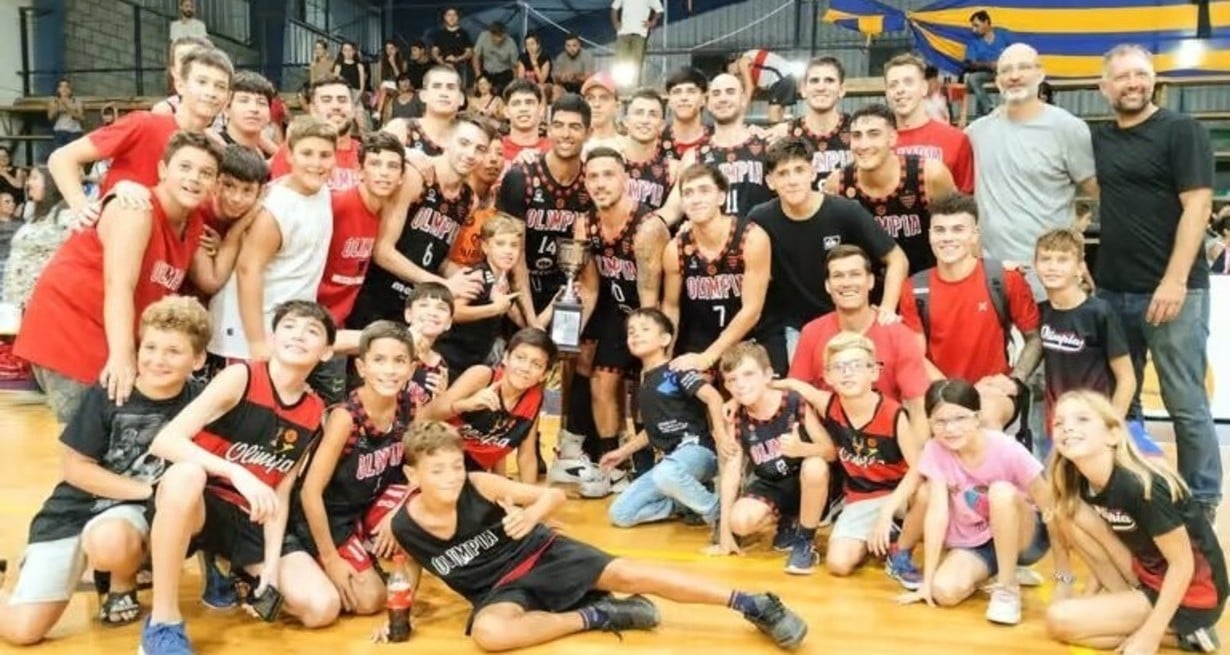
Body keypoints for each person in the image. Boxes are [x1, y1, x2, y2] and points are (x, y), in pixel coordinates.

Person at [374, 419, 809, 650]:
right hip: (499, 591)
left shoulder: (479, 484)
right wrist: (396, 619)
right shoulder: (402, 525)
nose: (451, 477)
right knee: (489, 635)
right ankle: (601, 615)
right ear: (412, 476)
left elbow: (552, 496)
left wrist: (532, 515)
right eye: (437, 470)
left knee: (632, 573)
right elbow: (406, 572)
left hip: (541, 554)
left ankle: (750, 602)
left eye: (455, 466)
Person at [0, 296, 209, 645]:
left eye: (173, 351)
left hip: (128, 522)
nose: (158, 360)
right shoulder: (111, 390)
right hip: (74, 511)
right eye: (150, 347)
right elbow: (75, 468)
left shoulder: (202, 401)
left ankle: (120, 583)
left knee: (110, 540)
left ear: (198, 359)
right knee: (23, 632)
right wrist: (149, 491)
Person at [138, 301, 340, 654]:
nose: (298, 335)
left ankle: (233, 569)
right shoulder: (241, 377)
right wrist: (237, 472)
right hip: (199, 503)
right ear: (272, 337)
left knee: (321, 607)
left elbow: (281, 492)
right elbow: (165, 441)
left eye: (312, 331)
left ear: (326, 352)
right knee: (186, 475)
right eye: (290, 326)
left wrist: (271, 568)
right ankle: (163, 622)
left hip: (249, 516)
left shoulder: (314, 411)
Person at [1091, 44, 1221, 522]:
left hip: (1173, 291)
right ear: (1104, 88)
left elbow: (1198, 207)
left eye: (1141, 75)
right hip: (1112, 290)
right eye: (1123, 76)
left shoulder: (1182, 131)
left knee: (1185, 402)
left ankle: (1201, 501)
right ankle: (1136, 492)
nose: (1133, 83)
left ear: (1153, 81)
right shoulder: (1101, 140)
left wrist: (1174, 280)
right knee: (1122, 400)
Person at [15, 132, 221, 424]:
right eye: (185, 167)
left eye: (206, 173)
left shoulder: (193, 220)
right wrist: (122, 355)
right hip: (73, 328)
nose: (194, 178)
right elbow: (119, 286)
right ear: (163, 170)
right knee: (91, 437)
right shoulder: (135, 208)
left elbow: (210, 281)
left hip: (110, 331)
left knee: (122, 434)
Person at [1045, 390, 1226, 653]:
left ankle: (1182, 633)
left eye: (1082, 419)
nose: (1067, 427)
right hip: (1149, 575)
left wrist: (1150, 635)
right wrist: (1089, 601)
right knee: (1068, 513)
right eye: (1059, 422)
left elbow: (1182, 564)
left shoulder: (1140, 486)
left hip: (1194, 594)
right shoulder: (1082, 484)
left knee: (1059, 619)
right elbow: (1102, 545)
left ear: (1113, 435)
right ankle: (1135, 612)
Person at [889, 379, 1066, 625]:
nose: (951, 429)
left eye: (960, 418)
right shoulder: (936, 449)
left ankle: (1007, 588)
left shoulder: (1006, 449)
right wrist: (927, 583)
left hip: (1026, 537)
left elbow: (1051, 509)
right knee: (944, 592)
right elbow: (937, 515)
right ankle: (997, 570)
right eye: (940, 421)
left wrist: (1064, 577)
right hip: (978, 540)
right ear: (929, 422)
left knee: (1001, 492)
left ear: (977, 417)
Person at [775, 332, 922, 581]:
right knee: (838, 564)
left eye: (856, 365)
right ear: (828, 377)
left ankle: (901, 552)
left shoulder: (894, 414)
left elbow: (918, 469)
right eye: (839, 367)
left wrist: (887, 511)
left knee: (926, 491)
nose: (847, 373)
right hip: (862, 497)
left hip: (898, 496)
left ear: (873, 372)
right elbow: (795, 386)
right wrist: (736, 401)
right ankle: (882, 539)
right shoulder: (829, 405)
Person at [751, 137, 907, 364]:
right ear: (770, 181)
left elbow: (897, 259)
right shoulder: (760, 218)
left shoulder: (845, 211)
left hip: (852, 321)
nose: (792, 180)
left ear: (813, 172)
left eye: (799, 170)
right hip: (798, 327)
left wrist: (887, 308)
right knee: (799, 382)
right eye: (783, 173)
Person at [298, 321, 417, 617]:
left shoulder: (408, 405)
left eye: (399, 361)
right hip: (332, 516)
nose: (390, 370)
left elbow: (420, 470)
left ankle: (365, 550)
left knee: (422, 511)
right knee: (369, 601)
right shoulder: (346, 418)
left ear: (411, 369)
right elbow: (310, 493)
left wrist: (398, 512)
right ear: (362, 367)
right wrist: (331, 559)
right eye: (379, 360)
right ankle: (309, 563)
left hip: (369, 506)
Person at [900, 192, 1043, 431]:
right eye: (940, 230)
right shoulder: (914, 288)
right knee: (917, 420)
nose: (947, 238)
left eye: (958, 229)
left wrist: (1016, 379)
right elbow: (916, 356)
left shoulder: (1003, 278)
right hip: (940, 389)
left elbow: (1034, 338)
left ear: (975, 234)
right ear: (930, 234)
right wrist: (956, 394)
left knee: (985, 416)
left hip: (992, 391)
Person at [207, 116, 337, 363]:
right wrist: (257, 342)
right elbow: (248, 270)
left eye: (325, 155)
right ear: (289, 155)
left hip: (287, 330)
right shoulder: (274, 209)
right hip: (245, 337)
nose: (316, 163)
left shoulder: (323, 192)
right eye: (307, 153)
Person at [966, 44, 1097, 282]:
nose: (1014, 76)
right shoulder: (976, 133)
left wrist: (1079, 256)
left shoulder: (1068, 128)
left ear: (1040, 74)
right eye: (1006, 70)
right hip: (994, 279)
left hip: (1050, 278)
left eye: (1024, 67)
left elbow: (1098, 191)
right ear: (997, 81)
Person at [49, 47, 231, 216]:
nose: (211, 92)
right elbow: (62, 158)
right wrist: (82, 209)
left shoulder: (212, 150)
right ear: (180, 85)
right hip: (117, 232)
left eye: (220, 86)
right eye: (202, 82)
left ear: (228, 97)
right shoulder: (144, 124)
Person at [350, 113, 493, 327]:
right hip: (377, 297)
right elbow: (382, 251)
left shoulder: (470, 199)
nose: (470, 154)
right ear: (447, 141)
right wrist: (443, 284)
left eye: (480, 149)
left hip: (418, 306)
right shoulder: (416, 176)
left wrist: (467, 278)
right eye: (464, 143)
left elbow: (438, 257)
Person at [572, 147, 670, 461]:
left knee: (644, 385)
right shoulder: (584, 223)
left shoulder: (647, 227)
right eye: (593, 177)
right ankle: (609, 464)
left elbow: (650, 296)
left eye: (608, 175)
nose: (600, 183)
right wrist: (568, 332)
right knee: (601, 381)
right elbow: (590, 287)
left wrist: (648, 345)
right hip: (615, 310)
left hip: (652, 311)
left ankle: (644, 462)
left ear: (625, 179)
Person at [789, 245, 930, 444]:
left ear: (870, 281)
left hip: (888, 445)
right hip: (834, 443)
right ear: (828, 285)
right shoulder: (812, 333)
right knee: (814, 463)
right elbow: (796, 396)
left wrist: (916, 457)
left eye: (855, 274)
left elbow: (918, 408)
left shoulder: (898, 334)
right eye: (838, 276)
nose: (847, 283)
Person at [713, 342, 832, 575]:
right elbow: (731, 473)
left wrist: (802, 449)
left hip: (807, 481)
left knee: (815, 466)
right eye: (732, 380)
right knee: (739, 522)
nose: (740, 384)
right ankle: (787, 521)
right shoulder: (735, 415)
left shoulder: (794, 401)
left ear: (768, 375)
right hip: (772, 483)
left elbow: (830, 451)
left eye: (748, 374)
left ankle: (805, 540)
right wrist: (726, 533)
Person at [601, 308, 727, 528]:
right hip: (669, 465)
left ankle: (719, 513)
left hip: (697, 453)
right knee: (620, 514)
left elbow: (713, 397)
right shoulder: (644, 379)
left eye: (645, 329)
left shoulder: (677, 369)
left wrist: (722, 437)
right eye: (631, 331)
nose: (636, 334)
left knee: (666, 473)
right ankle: (686, 503)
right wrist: (622, 453)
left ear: (665, 339)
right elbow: (653, 430)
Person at [662, 164, 774, 373]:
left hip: (749, 339)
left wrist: (709, 357)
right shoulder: (675, 249)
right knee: (682, 387)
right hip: (699, 340)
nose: (696, 199)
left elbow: (752, 311)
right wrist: (664, 357)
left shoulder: (752, 238)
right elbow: (671, 307)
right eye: (688, 193)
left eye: (704, 190)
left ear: (721, 197)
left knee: (746, 384)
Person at [827, 103, 958, 275]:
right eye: (857, 136)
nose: (863, 145)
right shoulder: (838, 183)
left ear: (893, 138)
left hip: (926, 281)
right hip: (865, 286)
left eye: (874, 134)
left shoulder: (930, 174)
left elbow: (961, 229)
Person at [1034, 228, 1136, 444]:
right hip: (1056, 426)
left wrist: (1112, 426)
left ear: (1080, 268)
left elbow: (1127, 378)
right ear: (1035, 265)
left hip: (1094, 424)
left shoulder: (1099, 313)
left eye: (1063, 260)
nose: (1052, 266)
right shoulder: (1040, 312)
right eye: (1045, 259)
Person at [499, 93, 594, 323]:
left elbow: (589, 265)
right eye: (558, 125)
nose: (565, 134)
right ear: (548, 129)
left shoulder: (592, 183)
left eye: (574, 127)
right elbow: (514, 254)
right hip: (519, 291)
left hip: (567, 291)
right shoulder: (520, 177)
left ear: (588, 133)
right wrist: (532, 322)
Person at [423, 328, 554, 483]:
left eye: (536, 364)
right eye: (520, 358)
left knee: (549, 495)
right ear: (505, 358)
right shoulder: (482, 375)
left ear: (544, 374)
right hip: (440, 456)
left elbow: (527, 456)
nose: (525, 368)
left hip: (474, 471)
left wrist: (528, 494)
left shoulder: (534, 398)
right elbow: (425, 415)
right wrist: (465, 405)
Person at [316, 131, 406, 330]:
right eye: (375, 164)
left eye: (392, 166)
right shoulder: (335, 204)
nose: (384, 173)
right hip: (310, 314)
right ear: (360, 171)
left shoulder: (388, 219)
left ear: (401, 177)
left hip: (340, 321)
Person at [434, 214, 524, 377]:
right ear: (485, 247)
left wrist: (557, 302)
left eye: (514, 245)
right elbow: (453, 312)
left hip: (472, 361)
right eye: (500, 244)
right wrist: (494, 309)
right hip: (450, 358)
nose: (508, 251)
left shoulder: (505, 281)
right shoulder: (478, 275)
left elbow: (520, 319)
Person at [883, 54, 974, 194]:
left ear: (924, 88)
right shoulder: (877, 143)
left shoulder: (956, 140)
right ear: (887, 93)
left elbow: (966, 198)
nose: (900, 90)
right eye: (893, 85)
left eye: (908, 82)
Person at [689, 73, 774, 218]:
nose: (723, 99)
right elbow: (672, 209)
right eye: (716, 93)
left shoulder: (769, 145)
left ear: (743, 99)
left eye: (730, 92)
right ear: (708, 103)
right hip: (713, 232)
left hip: (761, 232)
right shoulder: (694, 156)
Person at [766, 56, 852, 186]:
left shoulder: (857, 130)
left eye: (829, 80)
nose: (821, 87)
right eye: (814, 80)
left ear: (841, 89)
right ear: (803, 89)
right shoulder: (784, 134)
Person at [270, 75, 360, 191]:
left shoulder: (367, 155)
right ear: (313, 109)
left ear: (353, 109)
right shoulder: (294, 151)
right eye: (326, 100)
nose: (336, 106)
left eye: (342, 100)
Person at [0, 167, 71, 309]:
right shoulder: (34, 218)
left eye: (34, 178)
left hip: (41, 301)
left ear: (50, 182)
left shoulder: (65, 216)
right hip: (14, 298)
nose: (28, 183)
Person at [622, 88, 677, 211]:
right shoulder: (608, 162)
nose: (645, 120)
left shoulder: (673, 170)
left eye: (653, 114)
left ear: (662, 125)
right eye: (639, 113)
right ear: (626, 121)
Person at [964, 10, 1014, 118]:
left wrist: (1004, 64)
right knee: (972, 78)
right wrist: (989, 65)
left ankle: (1014, 114)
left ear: (986, 22)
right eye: (973, 26)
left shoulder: (1003, 34)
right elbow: (970, 63)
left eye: (976, 25)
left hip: (1006, 72)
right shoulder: (973, 40)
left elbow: (1017, 51)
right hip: (987, 73)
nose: (974, 29)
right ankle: (990, 108)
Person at [729, 49, 797, 124]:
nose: (737, 75)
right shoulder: (754, 67)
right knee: (779, 114)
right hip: (787, 76)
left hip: (781, 77)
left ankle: (776, 131)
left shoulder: (742, 62)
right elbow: (753, 90)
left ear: (734, 62)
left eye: (735, 74)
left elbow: (749, 87)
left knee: (773, 114)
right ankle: (782, 130)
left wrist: (742, 109)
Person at [611, 0, 662, 88]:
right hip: (623, 33)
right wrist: (615, 23)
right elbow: (614, 9)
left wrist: (652, 22)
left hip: (640, 34)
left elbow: (659, 10)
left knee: (637, 63)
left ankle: (634, 89)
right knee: (620, 61)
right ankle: (620, 88)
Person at [661, 67, 710, 159]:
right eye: (677, 92)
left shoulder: (717, 140)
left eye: (691, 91)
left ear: (703, 99)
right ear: (669, 100)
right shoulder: (656, 141)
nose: (683, 98)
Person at [499, 79, 551, 163]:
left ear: (541, 110)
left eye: (529, 103)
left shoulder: (554, 150)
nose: (523, 109)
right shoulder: (496, 149)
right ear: (506, 112)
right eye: (516, 104)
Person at [472, 22, 518, 94]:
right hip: (487, 72)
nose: (499, 39)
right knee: (478, 92)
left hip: (504, 74)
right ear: (491, 34)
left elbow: (515, 66)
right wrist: (478, 78)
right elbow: (476, 57)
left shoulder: (511, 43)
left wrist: (515, 83)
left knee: (497, 92)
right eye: (497, 36)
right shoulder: (483, 36)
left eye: (501, 36)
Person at [48, 78, 84, 151]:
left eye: (66, 86)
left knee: (73, 153)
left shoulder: (76, 101)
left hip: (75, 132)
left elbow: (82, 118)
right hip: (59, 131)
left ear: (70, 90)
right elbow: (50, 118)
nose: (64, 89)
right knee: (58, 152)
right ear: (58, 89)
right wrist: (57, 108)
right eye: (61, 86)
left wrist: (67, 108)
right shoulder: (54, 101)